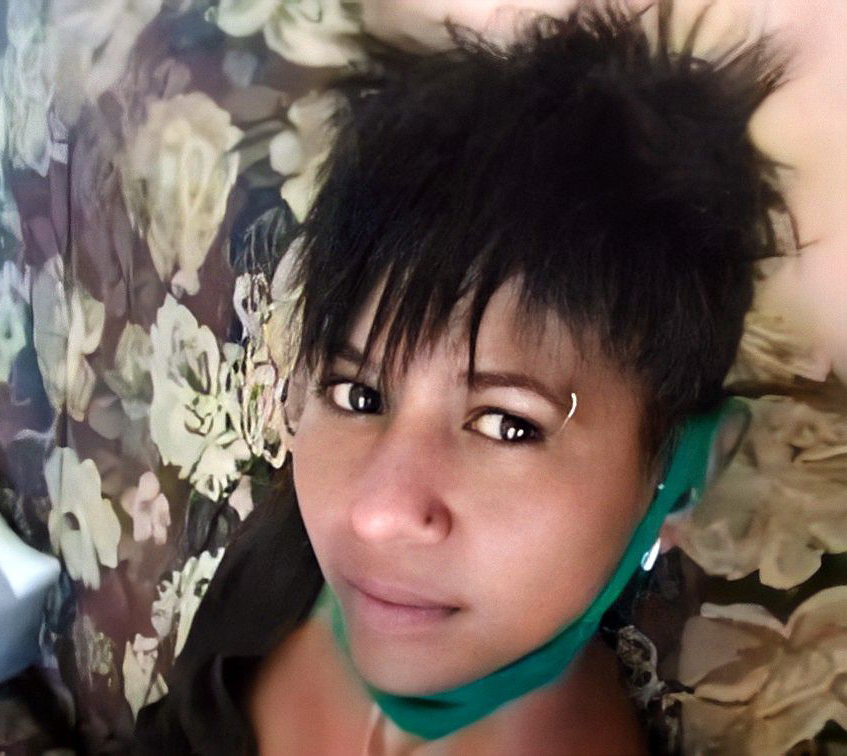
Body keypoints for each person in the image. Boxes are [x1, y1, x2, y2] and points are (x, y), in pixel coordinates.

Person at [134, 2, 787, 752]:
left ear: (685, 479)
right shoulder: (284, 555)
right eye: (360, 395)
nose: (376, 514)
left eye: (509, 425)